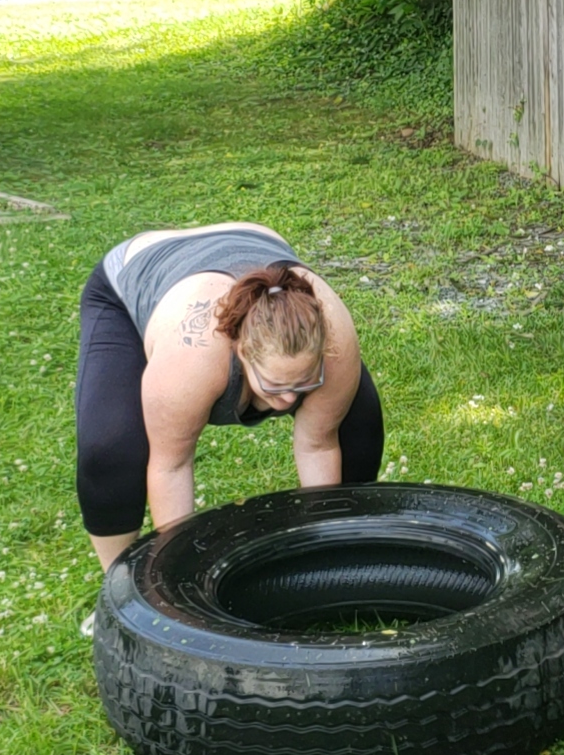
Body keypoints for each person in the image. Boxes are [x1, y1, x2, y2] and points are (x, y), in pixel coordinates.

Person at [75, 222, 383, 572]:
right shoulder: (193, 360)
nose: (287, 401)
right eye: (275, 386)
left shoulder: (335, 345)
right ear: (241, 352)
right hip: (135, 275)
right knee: (110, 448)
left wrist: (323, 545)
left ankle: (350, 546)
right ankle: (117, 591)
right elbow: (171, 466)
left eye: (303, 384)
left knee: (359, 423)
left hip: (252, 239)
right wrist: (179, 573)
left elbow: (319, 445)